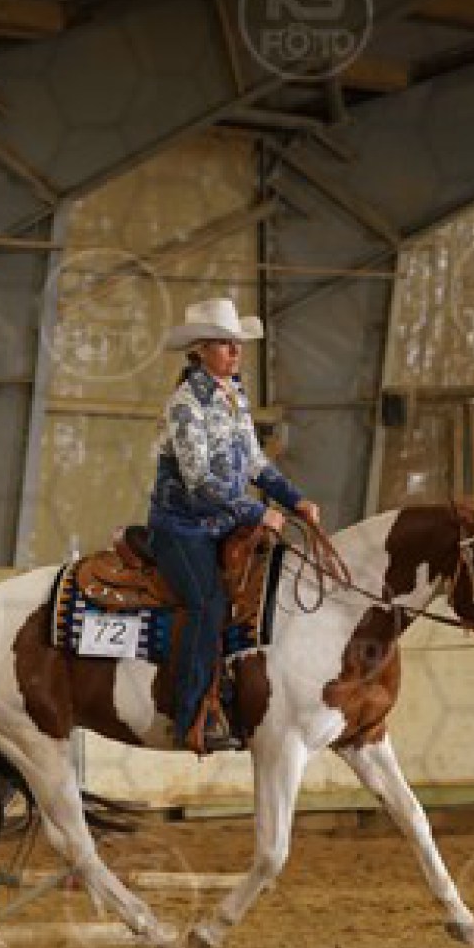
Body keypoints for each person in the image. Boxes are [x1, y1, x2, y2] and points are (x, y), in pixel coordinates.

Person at [147, 297, 321, 754]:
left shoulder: (234, 396)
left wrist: (294, 499)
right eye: (225, 344)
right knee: (206, 604)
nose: (236, 351)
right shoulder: (186, 404)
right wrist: (257, 513)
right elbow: (199, 481)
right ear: (201, 350)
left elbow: (255, 463)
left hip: (222, 523)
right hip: (182, 527)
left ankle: (245, 694)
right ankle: (190, 716)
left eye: (237, 344)